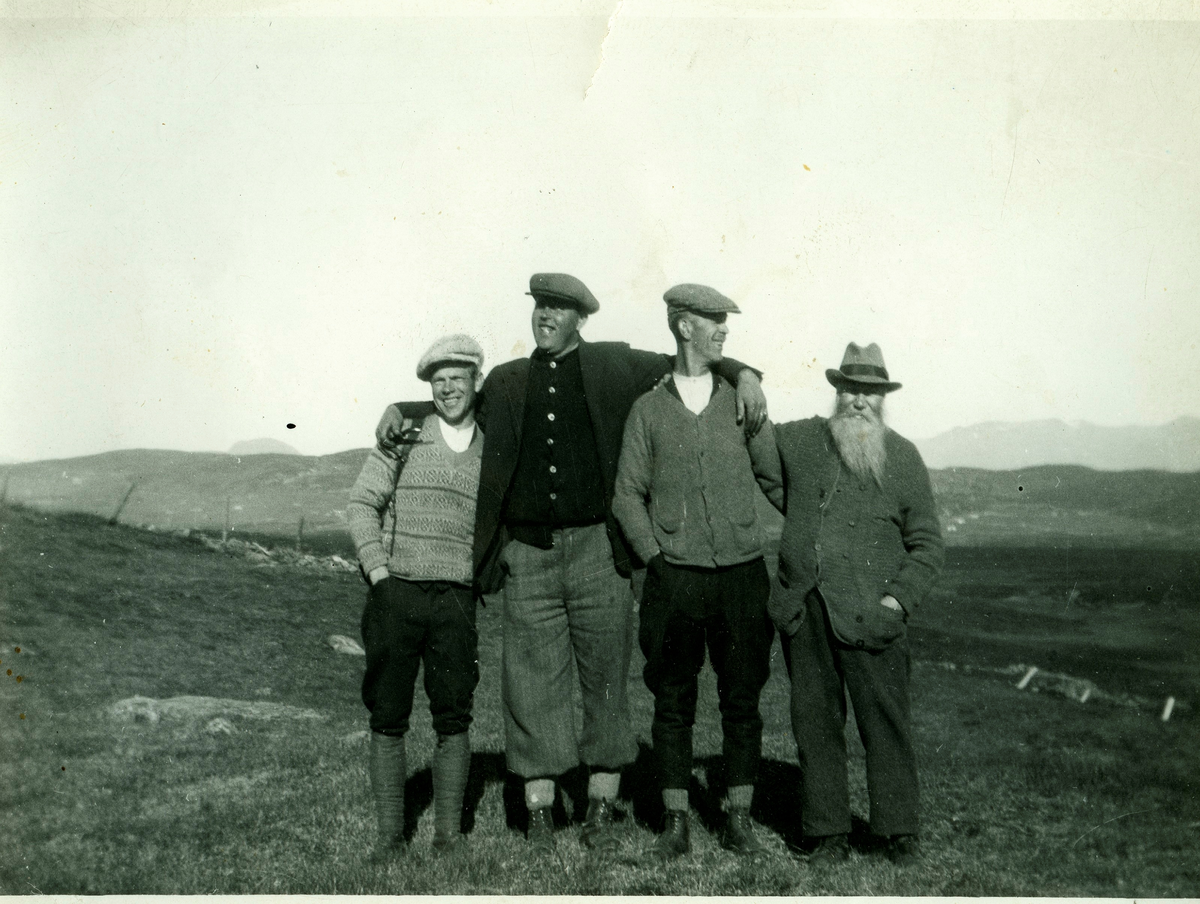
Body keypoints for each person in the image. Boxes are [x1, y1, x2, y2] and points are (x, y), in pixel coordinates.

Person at [375, 273, 768, 852]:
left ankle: (600, 809)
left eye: (558, 308)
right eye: (539, 306)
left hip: (596, 552)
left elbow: (688, 361)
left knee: (606, 678)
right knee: (531, 685)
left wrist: (746, 373)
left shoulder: (615, 365)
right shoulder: (509, 380)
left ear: (581, 318)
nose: (544, 316)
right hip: (527, 556)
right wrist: (400, 404)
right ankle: (539, 813)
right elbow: (457, 403)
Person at [611, 284, 782, 860]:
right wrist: (657, 559)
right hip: (675, 580)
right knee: (673, 702)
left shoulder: (741, 398)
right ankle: (676, 823)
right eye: (714, 322)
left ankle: (738, 818)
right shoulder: (647, 411)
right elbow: (626, 496)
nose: (725, 332)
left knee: (742, 699)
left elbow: (775, 478)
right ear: (685, 328)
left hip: (742, 576)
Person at [767, 342, 944, 866]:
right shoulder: (801, 440)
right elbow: (753, 438)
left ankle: (898, 831)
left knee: (885, 722)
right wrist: (742, 377)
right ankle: (827, 834)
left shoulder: (904, 456)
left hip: (875, 614)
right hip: (808, 609)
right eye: (849, 389)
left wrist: (897, 600)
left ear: (882, 398)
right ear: (836, 391)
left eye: (869, 392)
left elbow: (928, 544)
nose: (858, 401)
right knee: (815, 722)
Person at [347, 334, 486, 861]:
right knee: (388, 714)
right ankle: (390, 838)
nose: (449, 389)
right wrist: (379, 573)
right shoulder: (404, 433)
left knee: (453, 716)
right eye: (439, 381)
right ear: (428, 387)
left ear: (476, 381)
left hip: (456, 599)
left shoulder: (493, 442)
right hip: (396, 594)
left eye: (458, 378)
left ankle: (448, 836)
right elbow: (362, 502)